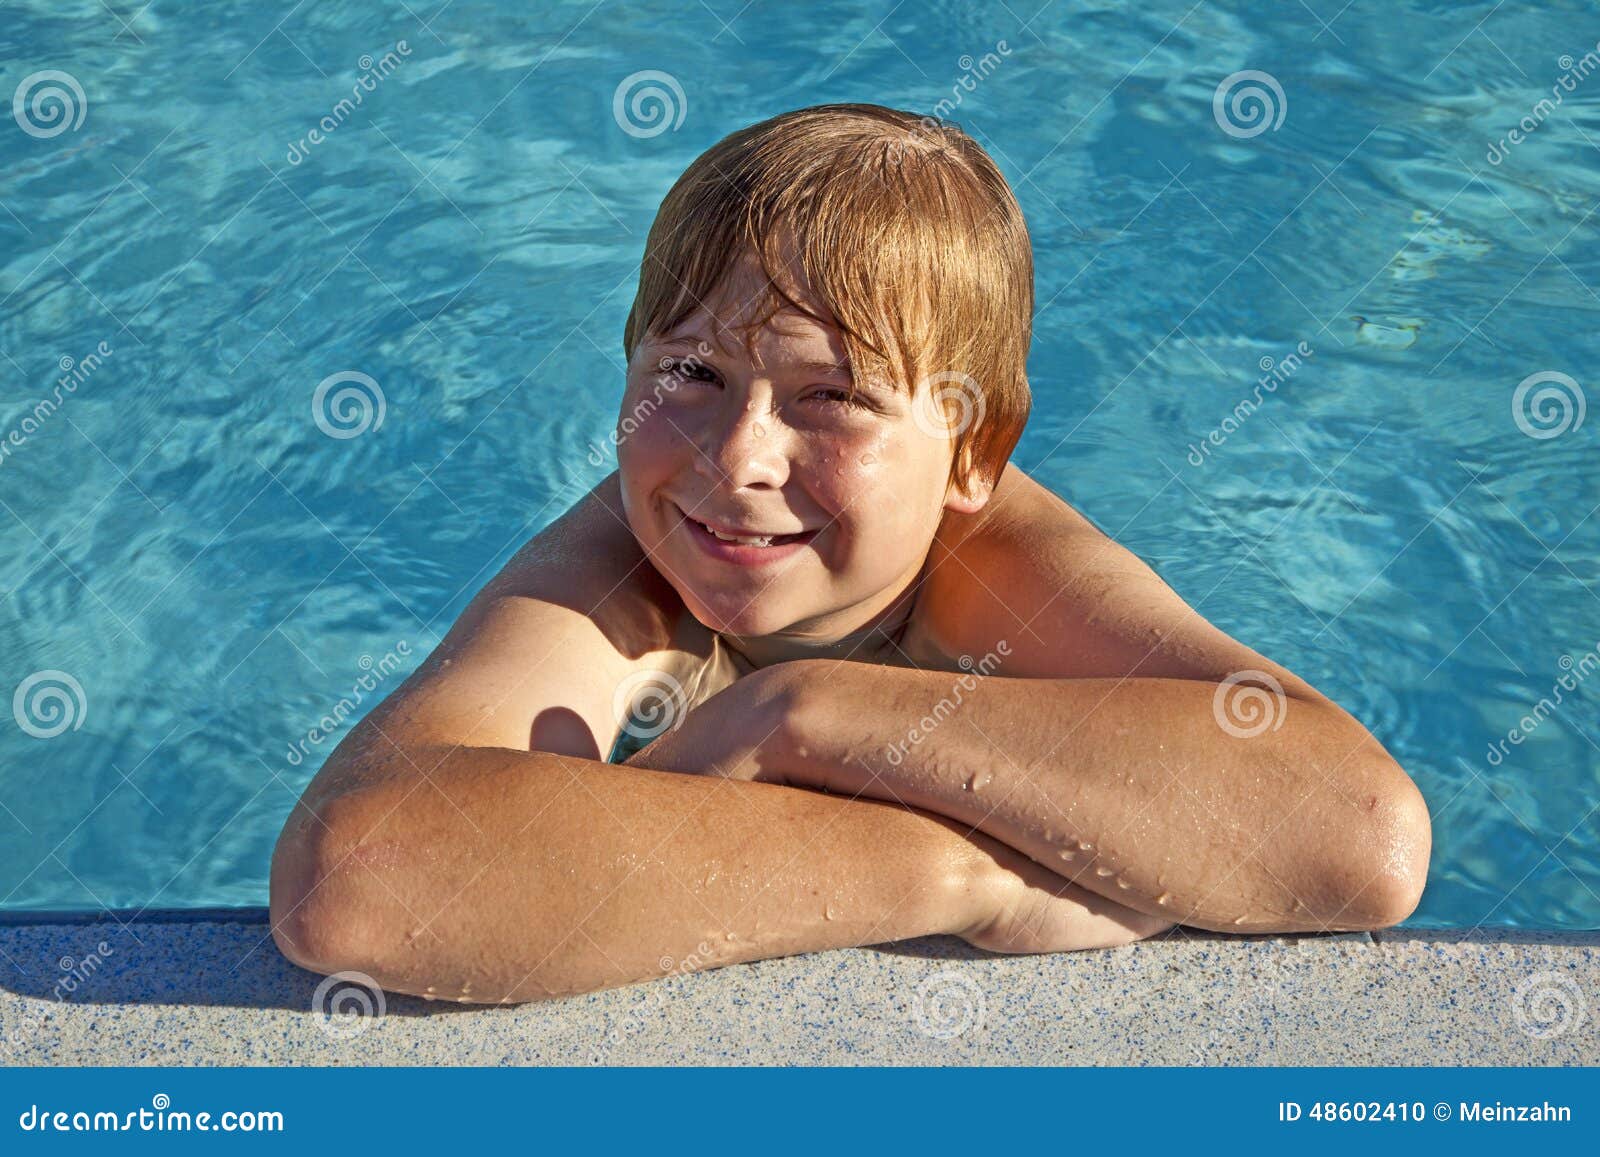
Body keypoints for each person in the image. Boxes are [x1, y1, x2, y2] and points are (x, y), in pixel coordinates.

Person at [269, 103, 1430, 1005]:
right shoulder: (622, 557)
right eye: (689, 376)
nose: (737, 460)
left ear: (973, 445)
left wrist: (793, 712)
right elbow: (360, 879)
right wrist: (961, 877)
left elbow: (1357, 836)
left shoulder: (1000, 569)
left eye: (830, 396)